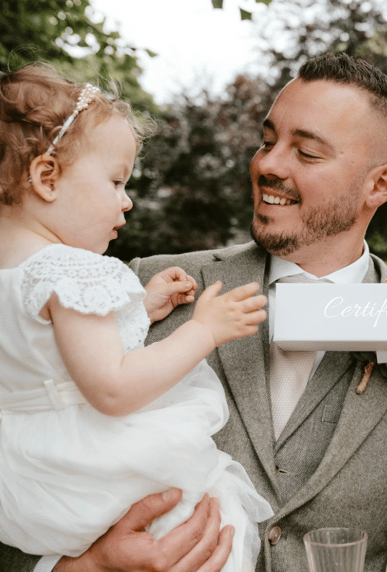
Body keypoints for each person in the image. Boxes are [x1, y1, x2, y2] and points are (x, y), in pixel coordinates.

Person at [0, 53, 387, 572]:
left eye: (306, 152)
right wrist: (85, 568)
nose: (268, 165)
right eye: (267, 140)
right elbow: (24, 461)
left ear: (380, 185)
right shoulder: (138, 289)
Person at [0, 64, 274, 572]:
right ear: (46, 178)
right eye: (116, 181)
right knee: (214, 513)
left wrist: (139, 308)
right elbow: (113, 388)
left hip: (25, 479)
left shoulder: (13, 274)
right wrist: (203, 330)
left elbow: (52, 352)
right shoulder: (71, 268)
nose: (126, 202)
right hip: (90, 468)